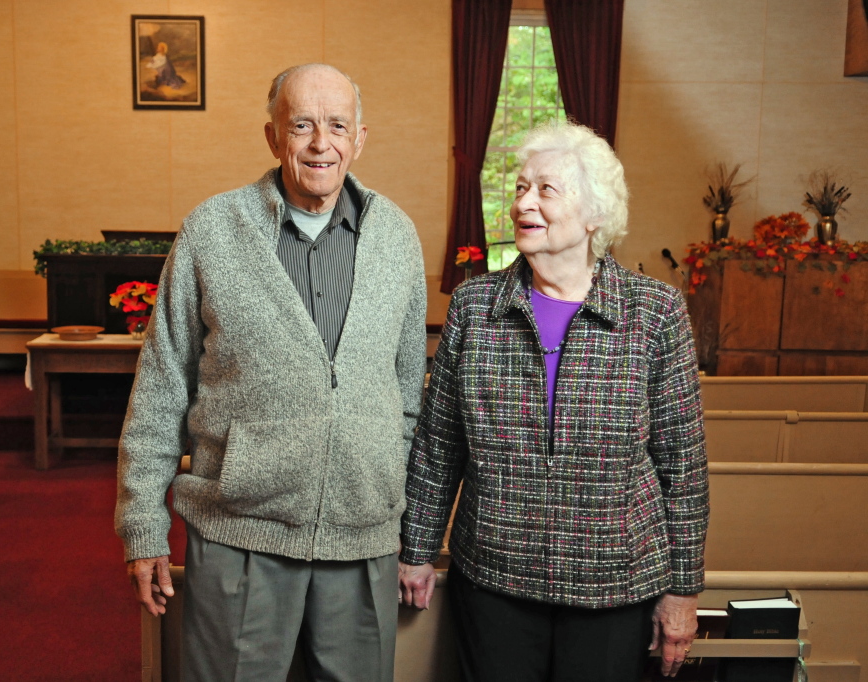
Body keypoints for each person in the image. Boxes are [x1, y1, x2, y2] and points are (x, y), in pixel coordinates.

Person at [115, 63, 427, 682]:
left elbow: (409, 398)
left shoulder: (397, 237)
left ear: (359, 138)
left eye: (337, 126)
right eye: (302, 125)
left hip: (362, 540)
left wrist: (408, 530)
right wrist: (143, 523)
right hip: (240, 535)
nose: (321, 143)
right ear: (272, 136)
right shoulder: (212, 230)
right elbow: (160, 388)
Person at [398, 120, 709, 682]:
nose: (524, 202)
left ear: (596, 214)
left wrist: (683, 591)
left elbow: (682, 468)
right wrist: (417, 548)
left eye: (546, 190)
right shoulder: (474, 307)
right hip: (494, 574)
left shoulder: (655, 312)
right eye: (520, 188)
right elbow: (438, 445)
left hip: (615, 581)